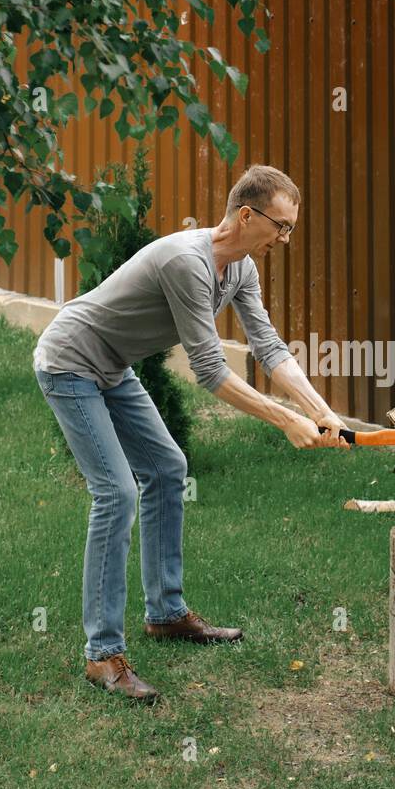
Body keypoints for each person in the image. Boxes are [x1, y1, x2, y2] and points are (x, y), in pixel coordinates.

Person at [33, 165, 348, 702]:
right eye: (282, 225)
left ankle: (166, 613)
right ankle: (101, 654)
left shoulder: (241, 268)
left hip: (112, 365)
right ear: (246, 215)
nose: (285, 238)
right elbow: (209, 369)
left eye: (290, 228)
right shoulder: (187, 262)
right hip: (71, 360)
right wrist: (285, 420)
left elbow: (268, 348)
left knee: (167, 468)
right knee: (116, 492)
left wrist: (321, 410)